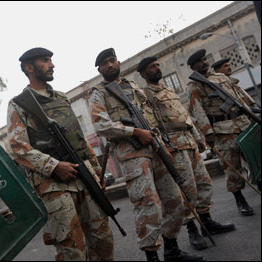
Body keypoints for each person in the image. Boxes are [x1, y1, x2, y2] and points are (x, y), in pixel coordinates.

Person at [89, 48, 202, 261]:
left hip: (155, 145)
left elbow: (151, 115)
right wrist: (134, 132)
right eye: (104, 63)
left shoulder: (133, 86)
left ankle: (171, 248)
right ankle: (152, 256)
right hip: (131, 153)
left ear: (119, 62)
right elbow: (101, 125)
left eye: (112, 60)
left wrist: (162, 141)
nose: (110, 65)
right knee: (147, 203)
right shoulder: (98, 93)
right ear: (100, 69)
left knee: (173, 198)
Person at [6, 47, 114, 261]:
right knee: (71, 248)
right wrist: (53, 166)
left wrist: (96, 171)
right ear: (29, 68)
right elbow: (17, 147)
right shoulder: (18, 104)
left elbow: (79, 138)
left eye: (51, 60)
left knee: (103, 240)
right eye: (45, 61)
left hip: (84, 176)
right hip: (53, 185)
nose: (52, 65)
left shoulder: (62, 98)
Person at [137, 56, 236, 250]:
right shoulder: (144, 94)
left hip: (189, 141)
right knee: (186, 190)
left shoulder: (169, 90)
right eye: (152, 67)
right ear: (143, 73)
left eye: (157, 65)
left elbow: (185, 115)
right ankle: (193, 231)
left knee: (203, 183)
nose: (157, 68)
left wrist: (197, 136)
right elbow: (151, 123)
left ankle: (207, 222)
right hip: (173, 146)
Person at [187, 49, 258, 216]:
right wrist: (208, 133)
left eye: (205, 59)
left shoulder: (221, 78)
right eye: (200, 61)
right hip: (223, 129)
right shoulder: (194, 85)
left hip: (242, 123)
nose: (204, 62)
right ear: (193, 66)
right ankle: (240, 200)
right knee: (232, 167)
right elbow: (196, 110)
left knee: (255, 158)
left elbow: (239, 98)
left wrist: (252, 112)